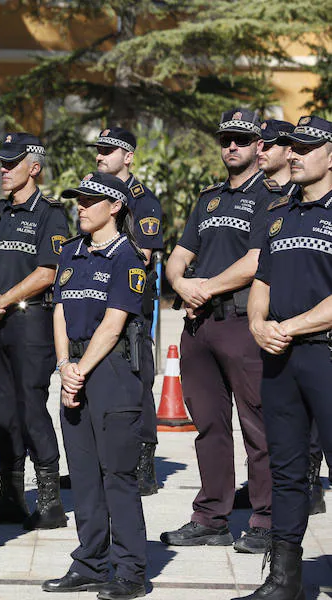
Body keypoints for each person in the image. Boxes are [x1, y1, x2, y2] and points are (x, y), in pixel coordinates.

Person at [162, 108, 281, 554]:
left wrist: (203, 288)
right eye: (226, 139)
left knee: (257, 425)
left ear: (258, 147)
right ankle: (211, 517)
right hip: (198, 325)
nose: (231, 146)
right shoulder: (207, 199)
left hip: (238, 323)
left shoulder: (270, 198)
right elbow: (179, 253)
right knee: (209, 425)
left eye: (241, 139)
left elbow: (256, 261)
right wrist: (179, 282)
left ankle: (267, 520)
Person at [238, 115, 332, 600]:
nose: (293, 153)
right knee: (288, 471)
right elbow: (262, 282)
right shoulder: (278, 213)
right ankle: (283, 580)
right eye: (290, 146)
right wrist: (258, 324)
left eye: (305, 147)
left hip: (325, 356)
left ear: (330, 154)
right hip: (280, 361)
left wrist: (289, 327)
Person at [43, 172, 147, 600]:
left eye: (90, 201)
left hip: (112, 372)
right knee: (83, 475)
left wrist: (80, 370)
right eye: (78, 200)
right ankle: (89, 562)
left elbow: (114, 322)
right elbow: (61, 312)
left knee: (117, 475)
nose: (80, 207)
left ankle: (131, 570)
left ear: (115, 206)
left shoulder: (128, 258)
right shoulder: (71, 252)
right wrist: (64, 365)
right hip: (77, 368)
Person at [0, 133, 69, 530]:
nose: (4, 170)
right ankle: (10, 496)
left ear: (34, 168)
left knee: (30, 408)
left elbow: (48, 272)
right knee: (3, 411)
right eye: (1, 163)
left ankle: (49, 501)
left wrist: (3, 299)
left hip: (29, 322)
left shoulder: (51, 214)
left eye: (12, 163)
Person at [90, 127, 163, 496]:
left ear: (128, 156)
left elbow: (143, 255)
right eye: (98, 150)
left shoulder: (142, 201)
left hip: (130, 303)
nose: (100, 156)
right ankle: (100, 461)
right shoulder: (93, 196)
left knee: (137, 379)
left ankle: (144, 464)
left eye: (108, 150)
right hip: (92, 301)